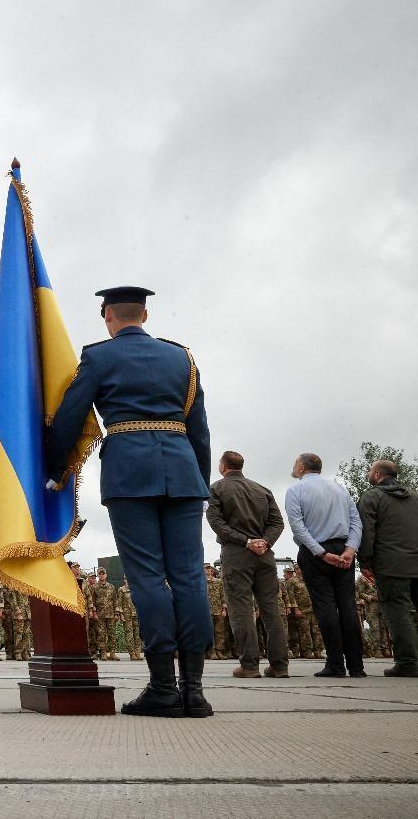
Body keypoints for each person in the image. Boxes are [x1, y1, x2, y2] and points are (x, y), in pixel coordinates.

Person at [46, 286, 213, 718]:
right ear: (145, 314)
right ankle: (194, 690)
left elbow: (70, 415)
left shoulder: (100, 357)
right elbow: (199, 428)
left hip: (129, 471)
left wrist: (54, 467)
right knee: (190, 577)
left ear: (107, 316)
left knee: (147, 578)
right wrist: (200, 479)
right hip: (183, 472)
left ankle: (162, 687)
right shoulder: (183, 358)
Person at [205, 450, 288, 678]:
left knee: (241, 610)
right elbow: (277, 522)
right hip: (265, 555)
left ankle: (249, 665)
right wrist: (265, 541)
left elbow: (215, 521)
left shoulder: (217, 488)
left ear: (223, 467)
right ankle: (280, 665)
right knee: (271, 609)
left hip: (236, 554)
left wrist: (246, 541)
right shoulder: (263, 490)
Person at [285, 452, 366, 678]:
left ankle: (335, 664)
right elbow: (356, 521)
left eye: (295, 463)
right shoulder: (339, 489)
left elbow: (298, 527)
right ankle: (357, 666)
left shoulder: (295, 490)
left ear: (301, 467)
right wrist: (350, 549)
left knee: (325, 607)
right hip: (344, 550)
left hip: (315, 552)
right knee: (348, 606)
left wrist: (320, 553)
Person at [357, 460, 418, 677]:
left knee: (398, 612)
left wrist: (364, 562)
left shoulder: (372, 497)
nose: (368, 472)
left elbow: (367, 531)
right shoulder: (414, 497)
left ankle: (408, 663)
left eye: (370, 469)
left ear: (377, 475)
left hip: (391, 565)